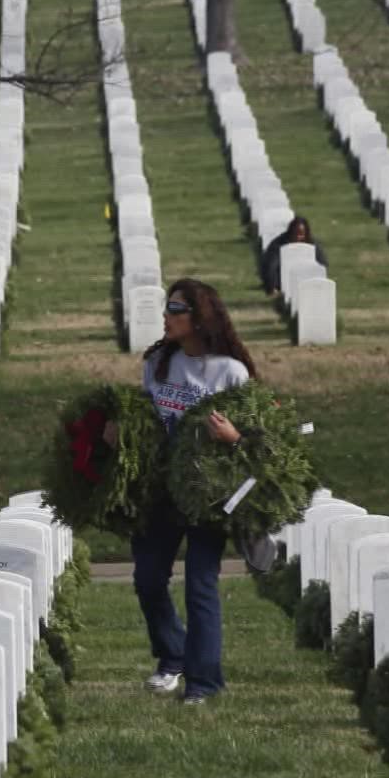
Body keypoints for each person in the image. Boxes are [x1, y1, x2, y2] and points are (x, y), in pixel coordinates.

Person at [105, 279, 258, 706]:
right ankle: (172, 656)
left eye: (176, 309)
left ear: (200, 316)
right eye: (167, 308)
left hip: (208, 492)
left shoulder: (231, 372)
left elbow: (257, 438)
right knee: (148, 578)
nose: (166, 316)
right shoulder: (158, 361)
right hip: (161, 490)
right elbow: (145, 417)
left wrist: (233, 436)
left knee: (200, 583)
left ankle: (203, 683)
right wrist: (120, 431)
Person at [260, 216, 330, 298]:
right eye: (295, 233)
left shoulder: (312, 244)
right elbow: (270, 267)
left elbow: (322, 265)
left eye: (301, 234)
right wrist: (272, 288)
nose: (297, 237)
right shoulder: (277, 245)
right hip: (281, 283)